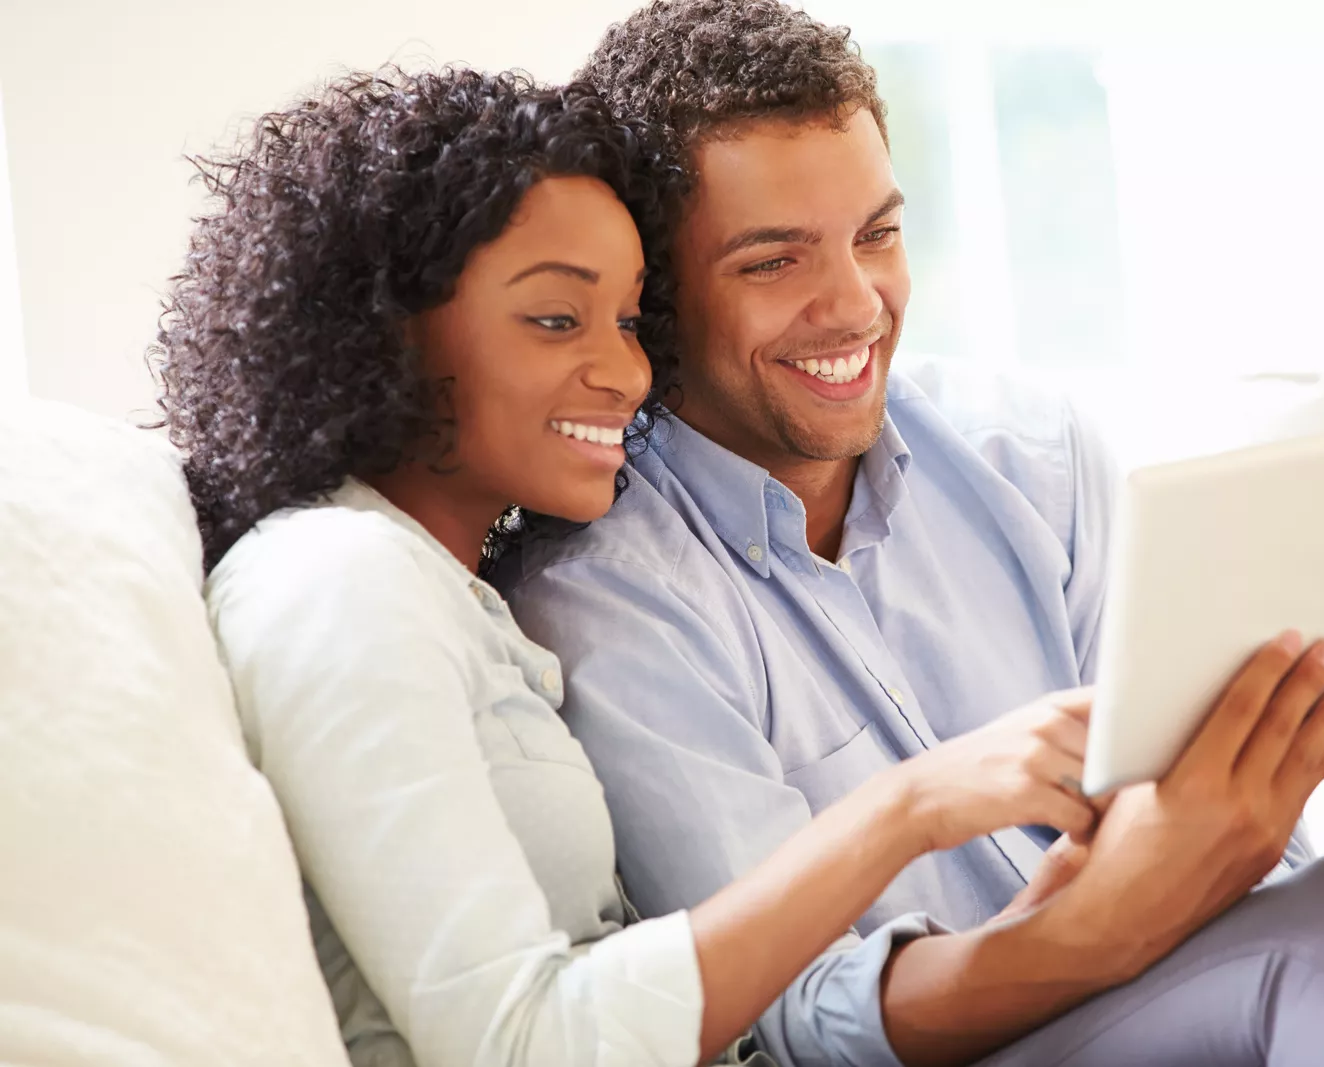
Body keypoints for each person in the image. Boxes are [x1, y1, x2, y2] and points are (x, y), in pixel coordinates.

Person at [495, 2, 1324, 1064]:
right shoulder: (608, 598)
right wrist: (1088, 927)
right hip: (995, 1033)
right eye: (773, 261)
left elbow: (1215, 845)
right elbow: (801, 1019)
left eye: (878, 235)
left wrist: (1237, 806)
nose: (857, 303)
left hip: (1203, 963)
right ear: (654, 298)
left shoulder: (1026, 451)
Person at [151, 67, 1197, 1067]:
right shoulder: (341, 582)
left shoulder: (448, 593)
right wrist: (909, 809)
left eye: (628, 320)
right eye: (556, 319)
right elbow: (519, 1042)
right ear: (381, 330)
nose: (625, 372)